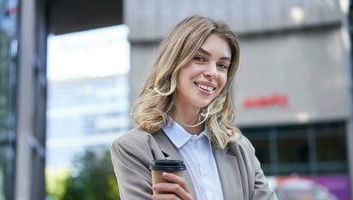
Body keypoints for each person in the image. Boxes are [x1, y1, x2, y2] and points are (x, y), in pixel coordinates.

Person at [111, 15, 274, 200]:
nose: (213, 73)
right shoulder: (133, 149)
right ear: (174, 63)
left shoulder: (240, 148)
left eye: (222, 65)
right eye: (199, 58)